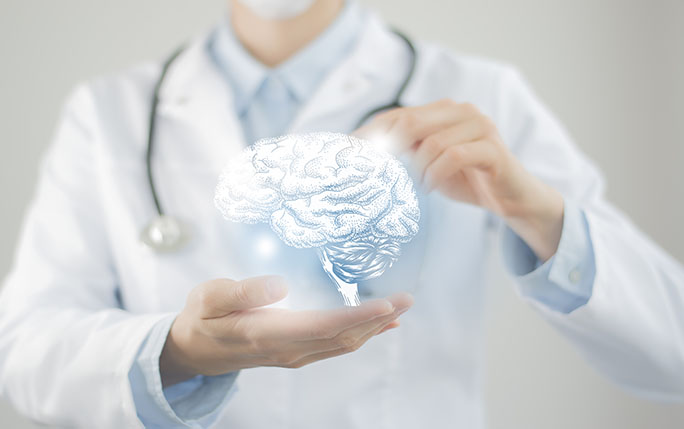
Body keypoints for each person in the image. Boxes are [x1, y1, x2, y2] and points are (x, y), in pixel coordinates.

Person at [0, 0, 683, 427]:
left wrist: (539, 214)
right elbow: (23, 350)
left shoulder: (476, 96)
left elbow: (672, 352)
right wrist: (176, 351)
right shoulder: (110, 112)